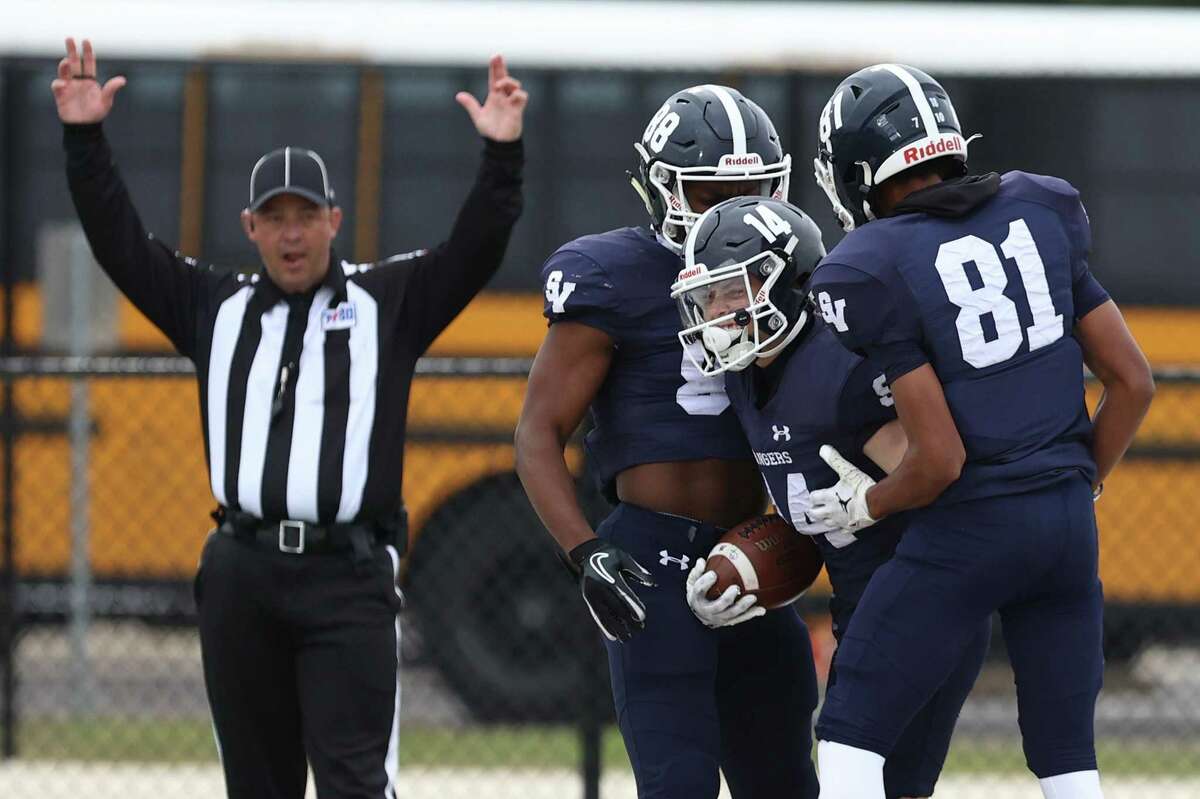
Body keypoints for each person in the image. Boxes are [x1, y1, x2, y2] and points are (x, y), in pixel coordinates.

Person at [53, 37, 526, 799]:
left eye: (306, 216)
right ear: (250, 227)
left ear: (335, 220)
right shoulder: (215, 307)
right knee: (257, 785)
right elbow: (120, 244)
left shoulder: (386, 303)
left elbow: (475, 250)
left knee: (352, 782)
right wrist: (84, 139)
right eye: (275, 219)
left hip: (347, 577)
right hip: (242, 573)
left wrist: (501, 159)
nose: (293, 234)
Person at [801, 64, 1155, 799]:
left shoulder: (870, 263)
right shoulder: (1041, 206)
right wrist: (1080, 475)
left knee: (848, 732)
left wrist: (866, 504)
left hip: (971, 527)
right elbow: (1133, 380)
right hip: (1064, 524)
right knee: (1068, 762)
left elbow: (940, 458)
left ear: (860, 171)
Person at [514, 85, 818, 799]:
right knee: (677, 780)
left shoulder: (791, 268)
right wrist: (586, 550)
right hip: (652, 548)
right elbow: (537, 432)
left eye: (751, 191)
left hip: (753, 546)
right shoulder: (612, 275)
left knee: (782, 777)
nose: (731, 211)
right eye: (712, 191)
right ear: (662, 187)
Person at [670, 195, 990, 799]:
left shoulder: (840, 367)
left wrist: (876, 499)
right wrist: (746, 567)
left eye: (731, 292)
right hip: (863, 609)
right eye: (708, 297)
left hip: (921, 608)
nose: (716, 312)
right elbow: (807, 498)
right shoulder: (749, 374)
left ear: (787, 283)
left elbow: (947, 488)